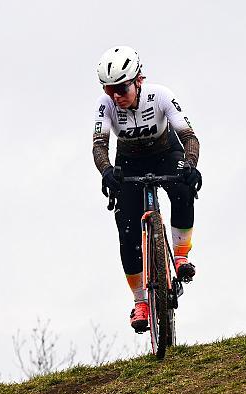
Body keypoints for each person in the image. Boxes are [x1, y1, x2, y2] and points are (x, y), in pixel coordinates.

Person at [92, 46, 202, 333]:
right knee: (127, 230)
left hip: (165, 152)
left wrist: (190, 164)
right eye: (109, 88)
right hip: (128, 162)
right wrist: (106, 171)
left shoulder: (161, 96)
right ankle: (140, 301)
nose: (116, 95)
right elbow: (99, 146)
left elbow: (189, 136)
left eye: (122, 88)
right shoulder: (106, 105)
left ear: (138, 80)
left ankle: (180, 256)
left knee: (183, 190)